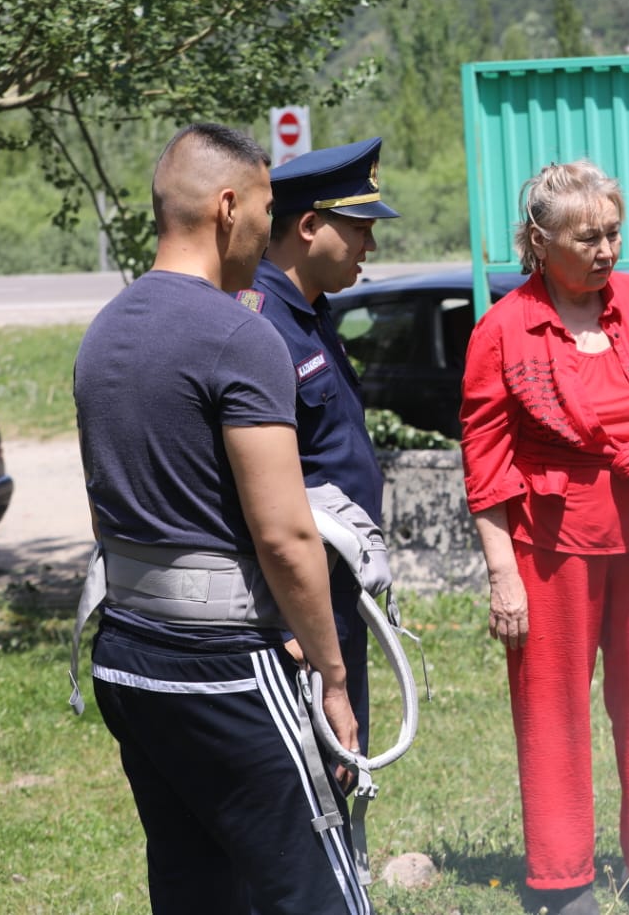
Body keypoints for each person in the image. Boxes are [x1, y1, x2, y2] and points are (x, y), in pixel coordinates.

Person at [71, 123, 368, 913]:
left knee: (195, 887)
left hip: (127, 658)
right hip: (226, 669)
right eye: (268, 209)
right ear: (228, 207)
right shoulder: (240, 335)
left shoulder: (104, 332)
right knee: (318, 892)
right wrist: (334, 681)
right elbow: (283, 532)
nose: (270, 230)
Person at [459, 160, 629, 915]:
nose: (606, 250)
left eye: (613, 232)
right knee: (553, 713)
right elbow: (486, 464)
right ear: (540, 242)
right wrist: (502, 574)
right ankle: (562, 879)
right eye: (587, 237)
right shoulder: (502, 329)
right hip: (551, 548)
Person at [239, 137, 400, 755]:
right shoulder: (257, 321)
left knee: (345, 756)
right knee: (314, 767)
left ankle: (349, 855)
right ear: (308, 225)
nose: (371, 245)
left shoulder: (310, 312)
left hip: (335, 586)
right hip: (294, 601)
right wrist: (290, 620)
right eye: (359, 228)